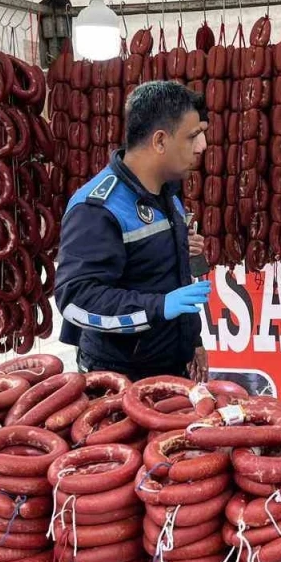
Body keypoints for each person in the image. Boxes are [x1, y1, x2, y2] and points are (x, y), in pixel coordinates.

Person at [55, 81, 211, 382]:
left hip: (170, 367)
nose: (202, 146)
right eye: (193, 136)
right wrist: (158, 307)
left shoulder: (168, 196)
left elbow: (172, 278)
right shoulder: (98, 208)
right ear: (160, 141)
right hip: (117, 378)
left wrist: (193, 340)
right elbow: (75, 301)